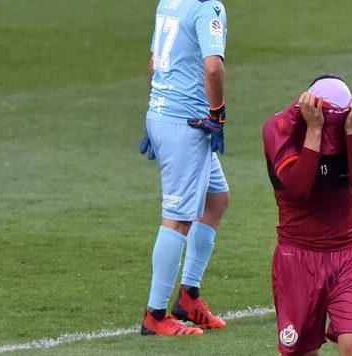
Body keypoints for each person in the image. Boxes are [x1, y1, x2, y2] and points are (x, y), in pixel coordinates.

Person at [262, 74, 352, 355]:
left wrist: (351, 133)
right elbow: (299, 188)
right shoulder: (281, 131)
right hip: (297, 258)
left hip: (347, 256)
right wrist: (315, 132)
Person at [138, 0, 229, 336]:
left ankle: (188, 297)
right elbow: (213, 68)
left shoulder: (170, 1)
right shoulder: (209, 8)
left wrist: (154, 114)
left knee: (216, 198)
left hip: (164, 116)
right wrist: (217, 115)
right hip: (189, 124)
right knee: (177, 220)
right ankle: (155, 314)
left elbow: (153, 64)